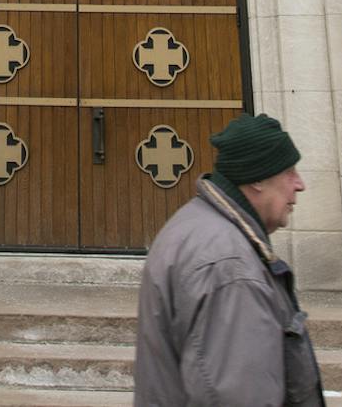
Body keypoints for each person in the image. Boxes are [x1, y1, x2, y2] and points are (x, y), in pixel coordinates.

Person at [134, 112, 325, 407]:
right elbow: (237, 394)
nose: (299, 185)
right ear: (258, 178)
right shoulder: (229, 266)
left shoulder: (193, 224)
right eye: (289, 172)